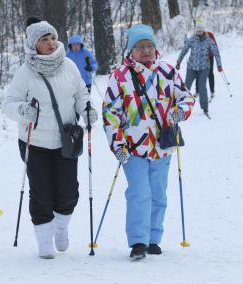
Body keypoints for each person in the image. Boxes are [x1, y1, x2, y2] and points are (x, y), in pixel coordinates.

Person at [3, 18, 98, 259]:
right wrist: (24, 110)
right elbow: (9, 105)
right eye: (44, 40)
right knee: (41, 192)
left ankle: (61, 227)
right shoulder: (25, 72)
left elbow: (80, 93)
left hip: (66, 140)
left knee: (68, 192)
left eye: (53, 38)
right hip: (34, 142)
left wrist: (86, 108)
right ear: (33, 45)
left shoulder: (68, 66)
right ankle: (44, 240)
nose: (50, 43)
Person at [102, 24, 195, 259]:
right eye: (140, 47)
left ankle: (154, 239)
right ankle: (138, 241)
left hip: (163, 146)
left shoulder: (167, 72)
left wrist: (178, 113)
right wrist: (118, 145)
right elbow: (110, 114)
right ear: (131, 51)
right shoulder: (119, 76)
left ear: (155, 48)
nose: (146, 51)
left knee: (158, 194)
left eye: (149, 46)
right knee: (138, 193)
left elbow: (186, 98)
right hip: (133, 149)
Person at [176, 19, 222, 116]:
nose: (199, 32)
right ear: (195, 31)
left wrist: (219, 65)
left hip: (204, 67)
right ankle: (182, 108)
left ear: (204, 31)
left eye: (200, 30)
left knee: (202, 87)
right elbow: (184, 50)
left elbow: (216, 52)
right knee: (186, 87)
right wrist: (178, 61)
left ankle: (205, 108)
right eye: (197, 30)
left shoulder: (209, 40)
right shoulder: (192, 39)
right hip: (191, 67)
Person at [195, 30, 219, 101]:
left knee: (210, 73)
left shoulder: (210, 34)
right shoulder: (195, 35)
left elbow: (215, 45)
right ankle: (198, 91)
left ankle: (212, 91)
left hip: (209, 57)